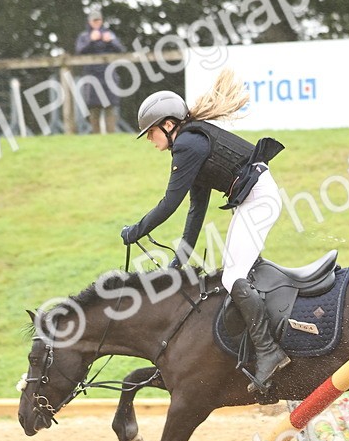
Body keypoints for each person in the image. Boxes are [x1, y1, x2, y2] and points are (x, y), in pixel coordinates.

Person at [120, 71, 291, 394]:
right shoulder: (192, 144)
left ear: (169, 125)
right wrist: (179, 263)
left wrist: (135, 231)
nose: (150, 141)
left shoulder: (187, 146)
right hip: (256, 198)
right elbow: (195, 210)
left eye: (151, 133)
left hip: (259, 200)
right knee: (238, 272)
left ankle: (270, 351)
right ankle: (262, 346)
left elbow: (169, 203)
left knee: (232, 276)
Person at [75, 9, 125, 133]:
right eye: (94, 20)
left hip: (109, 75)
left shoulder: (109, 34)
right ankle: (95, 135)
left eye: (99, 20)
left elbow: (121, 50)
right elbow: (79, 51)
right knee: (94, 107)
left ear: (102, 21)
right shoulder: (84, 36)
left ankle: (111, 134)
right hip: (92, 75)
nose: (97, 22)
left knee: (110, 106)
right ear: (89, 21)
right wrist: (91, 41)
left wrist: (111, 42)